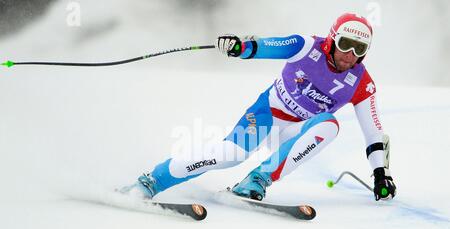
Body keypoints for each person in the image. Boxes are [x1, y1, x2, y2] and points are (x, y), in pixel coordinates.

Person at [133, 13, 397, 202]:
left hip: (294, 133)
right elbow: (264, 47)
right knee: (229, 155)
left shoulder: (362, 83)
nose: (349, 54)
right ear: (332, 40)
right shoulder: (306, 46)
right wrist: (240, 47)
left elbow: (373, 132)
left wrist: (380, 174)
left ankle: (256, 181)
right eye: (345, 44)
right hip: (266, 115)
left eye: (358, 48)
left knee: (329, 125)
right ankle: (151, 181)